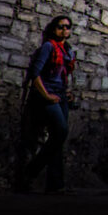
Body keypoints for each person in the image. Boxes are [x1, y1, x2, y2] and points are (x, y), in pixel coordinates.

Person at [16, 15, 77, 193]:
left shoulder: (68, 50)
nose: (64, 30)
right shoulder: (48, 47)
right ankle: (31, 170)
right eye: (60, 27)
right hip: (48, 96)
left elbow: (65, 74)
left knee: (58, 138)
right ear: (53, 29)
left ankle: (55, 184)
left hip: (61, 96)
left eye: (67, 27)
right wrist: (46, 95)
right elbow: (35, 74)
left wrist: (68, 92)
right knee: (61, 131)